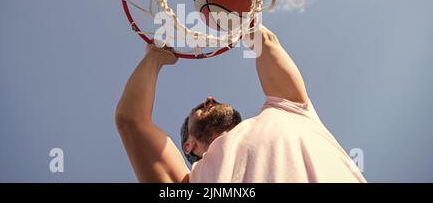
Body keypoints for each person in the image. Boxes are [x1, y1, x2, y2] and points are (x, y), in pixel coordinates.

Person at [115, 26, 366, 182]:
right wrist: (155, 58)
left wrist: (241, 19)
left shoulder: (289, 108)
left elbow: (265, 40)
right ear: (189, 146)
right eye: (198, 110)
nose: (210, 98)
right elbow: (131, 121)